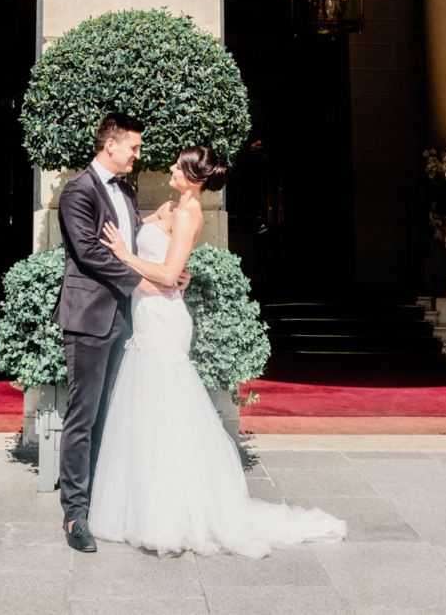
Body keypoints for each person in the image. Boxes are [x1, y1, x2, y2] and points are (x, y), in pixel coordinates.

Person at [88, 146, 347, 558]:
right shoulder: (173, 207)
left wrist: (123, 255)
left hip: (165, 319)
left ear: (192, 178)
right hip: (148, 313)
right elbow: (143, 232)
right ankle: (145, 504)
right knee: (148, 410)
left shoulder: (191, 215)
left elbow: (170, 274)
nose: (170, 168)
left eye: (177, 166)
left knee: (166, 410)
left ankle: (173, 512)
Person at [52, 113, 189, 553]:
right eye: (133, 146)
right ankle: (75, 515)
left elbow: (137, 241)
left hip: (128, 321)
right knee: (83, 416)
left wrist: (173, 272)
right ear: (110, 144)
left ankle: (106, 502)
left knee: (113, 416)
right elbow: (90, 252)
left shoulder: (126, 191)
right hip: (88, 317)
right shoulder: (77, 191)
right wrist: (147, 283)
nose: (138, 154)